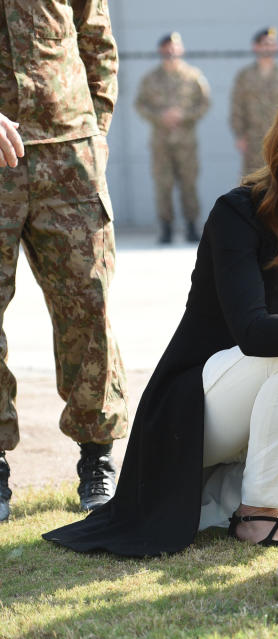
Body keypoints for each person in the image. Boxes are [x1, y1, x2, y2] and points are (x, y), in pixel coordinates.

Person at [43, 79, 278, 555]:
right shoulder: (238, 213)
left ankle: (234, 499)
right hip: (188, 411)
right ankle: (260, 513)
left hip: (251, 411)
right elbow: (255, 333)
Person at [0, 0, 128, 523]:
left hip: (68, 154)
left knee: (88, 307)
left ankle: (97, 458)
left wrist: (93, 133)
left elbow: (96, 39)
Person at [135, 32, 211, 244]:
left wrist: (184, 116)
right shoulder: (150, 79)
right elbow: (140, 104)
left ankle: (191, 227)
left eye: (175, 47)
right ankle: (166, 228)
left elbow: (204, 103)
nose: (171, 52)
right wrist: (160, 117)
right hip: (161, 142)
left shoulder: (193, 76)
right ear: (161, 51)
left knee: (189, 184)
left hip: (186, 142)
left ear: (181, 49)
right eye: (167, 48)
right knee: (163, 185)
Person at [230, 27, 278, 176]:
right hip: (253, 139)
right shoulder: (245, 75)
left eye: (272, 43)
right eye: (264, 44)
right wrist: (239, 135)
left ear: (277, 47)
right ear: (256, 47)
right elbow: (237, 106)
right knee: (251, 181)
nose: (268, 47)